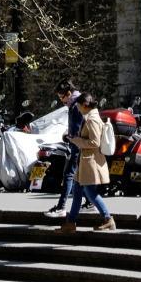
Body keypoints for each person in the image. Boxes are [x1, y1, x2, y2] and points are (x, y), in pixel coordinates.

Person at [59, 92, 116, 233]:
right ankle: (71, 223)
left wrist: (75, 140)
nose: (77, 108)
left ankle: (108, 219)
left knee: (90, 192)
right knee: (77, 191)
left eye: (78, 106)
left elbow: (94, 142)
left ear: (85, 105)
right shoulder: (90, 117)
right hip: (85, 161)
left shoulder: (92, 120)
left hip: (91, 161)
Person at [46, 83, 83, 218]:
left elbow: (78, 127)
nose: (61, 100)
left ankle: (61, 207)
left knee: (68, 175)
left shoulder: (75, 106)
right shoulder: (79, 102)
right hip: (80, 145)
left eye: (62, 97)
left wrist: (69, 136)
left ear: (68, 93)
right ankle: (90, 204)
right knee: (81, 178)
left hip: (77, 146)